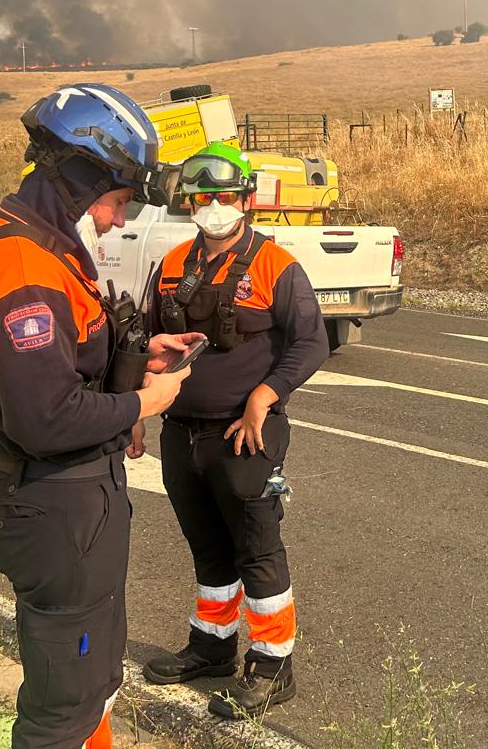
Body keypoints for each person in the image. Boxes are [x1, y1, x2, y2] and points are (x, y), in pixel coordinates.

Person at [0, 83, 200, 749]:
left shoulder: (29, 239)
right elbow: (45, 417)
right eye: (116, 201)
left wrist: (137, 356)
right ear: (80, 179)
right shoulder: (21, 267)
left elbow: (64, 352)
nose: (118, 220)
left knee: (90, 683)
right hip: (55, 500)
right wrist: (149, 401)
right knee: (65, 705)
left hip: (68, 499)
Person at [141, 143, 329, 720]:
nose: (215, 206)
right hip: (181, 433)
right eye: (203, 197)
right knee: (208, 548)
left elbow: (311, 342)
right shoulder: (172, 264)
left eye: (225, 196)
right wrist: (134, 413)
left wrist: (263, 398)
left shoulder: (277, 266)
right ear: (189, 203)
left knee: (257, 549)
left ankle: (274, 667)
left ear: (246, 200)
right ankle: (212, 648)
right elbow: (147, 345)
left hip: (245, 436)